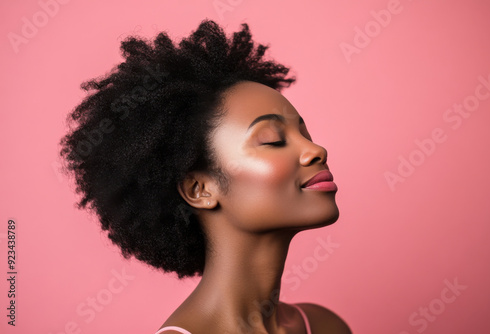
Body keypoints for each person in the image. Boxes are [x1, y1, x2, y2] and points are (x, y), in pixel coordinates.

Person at [59, 19, 351, 334]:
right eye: (272, 140)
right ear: (200, 189)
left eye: (304, 133)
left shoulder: (324, 326)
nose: (315, 149)